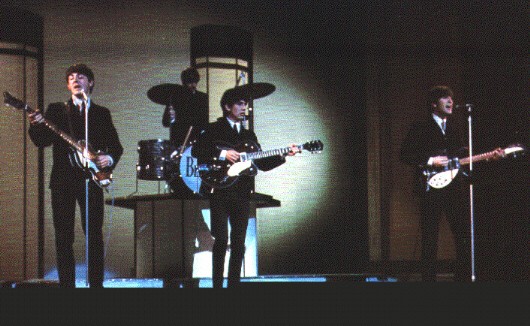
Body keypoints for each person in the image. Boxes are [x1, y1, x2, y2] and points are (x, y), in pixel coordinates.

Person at [192, 86, 300, 288]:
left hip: (242, 192)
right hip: (221, 190)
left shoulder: (249, 135)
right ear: (227, 106)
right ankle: (216, 286)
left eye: (246, 104)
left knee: (239, 243)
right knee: (221, 240)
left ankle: (233, 286)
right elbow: (198, 150)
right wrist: (223, 154)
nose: (244, 108)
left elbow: (261, 163)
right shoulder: (214, 129)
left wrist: (284, 154)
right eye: (240, 104)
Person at [28, 63, 123, 288]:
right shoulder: (57, 110)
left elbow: (116, 148)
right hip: (62, 181)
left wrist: (107, 160)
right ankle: (67, 288)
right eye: (71, 77)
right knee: (63, 237)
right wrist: (35, 124)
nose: (75, 80)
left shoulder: (101, 113)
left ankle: (96, 286)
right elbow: (41, 141)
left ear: (90, 82)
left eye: (80, 76)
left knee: (94, 237)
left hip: (91, 180)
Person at [400, 85, 475, 281]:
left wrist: (484, 156)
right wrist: (429, 160)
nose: (451, 101)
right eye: (445, 98)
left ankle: (464, 279)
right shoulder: (421, 126)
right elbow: (405, 155)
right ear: (434, 104)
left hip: (454, 187)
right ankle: (429, 282)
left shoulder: (455, 127)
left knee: (462, 234)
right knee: (430, 238)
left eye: (451, 98)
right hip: (430, 188)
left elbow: (460, 156)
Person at [160, 67, 214, 280]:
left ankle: (198, 231)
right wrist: (170, 112)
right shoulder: (175, 96)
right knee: (180, 184)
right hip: (178, 144)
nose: (191, 84)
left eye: (194, 80)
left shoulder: (202, 98)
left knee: (194, 188)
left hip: (195, 144)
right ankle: (199, 232)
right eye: (188, 80)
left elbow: (204, 122)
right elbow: (166, 122)